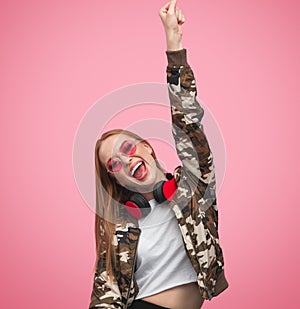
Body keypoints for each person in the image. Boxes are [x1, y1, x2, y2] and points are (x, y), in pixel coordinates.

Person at [88, 1, 229, 308]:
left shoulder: (192, 187)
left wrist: (174, 43)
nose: (126, 160)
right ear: (115, 177)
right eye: (114, 163)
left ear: (147, 148)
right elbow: (106, 290)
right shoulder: (119, 222)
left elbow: (188, 123)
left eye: (128, 148)